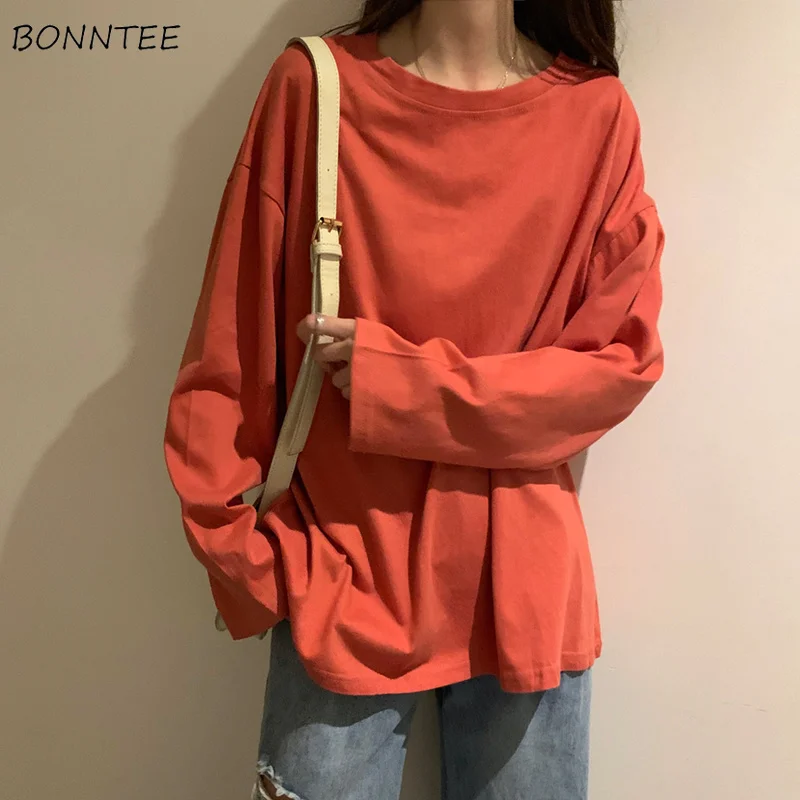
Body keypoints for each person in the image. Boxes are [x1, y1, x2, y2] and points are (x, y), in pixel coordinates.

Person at [163, 1, 666, 797]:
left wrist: (404, 386)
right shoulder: (315, 89)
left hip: (525, 599)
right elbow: (229, 356)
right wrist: (248, 565)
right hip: (339, 584)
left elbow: (616, 367)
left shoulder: (596, 116)